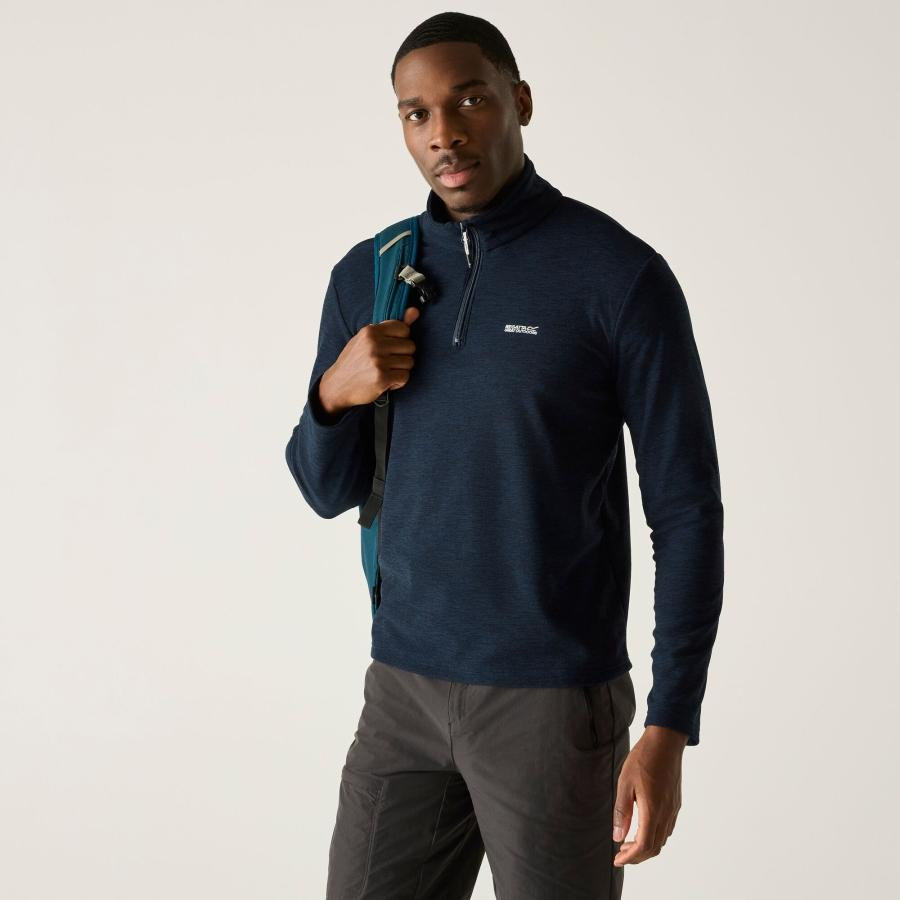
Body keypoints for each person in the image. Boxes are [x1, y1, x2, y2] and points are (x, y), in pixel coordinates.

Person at [285, 11, 724, 899]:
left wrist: (670, 724)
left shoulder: (617, 276)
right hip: (401, 692)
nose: (443, 133)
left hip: (551, 704)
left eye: (469, 100)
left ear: (519, 101)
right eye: (416, 113)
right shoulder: (370, 275)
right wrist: (334, 394)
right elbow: (326, 491)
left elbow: (685, 511)